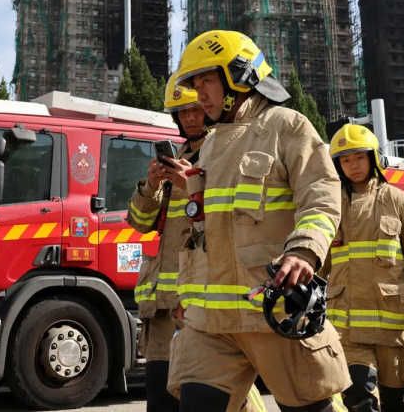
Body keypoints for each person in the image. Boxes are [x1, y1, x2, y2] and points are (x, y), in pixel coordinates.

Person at [167, 30, 350, 412]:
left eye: (206, 81)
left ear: (239, 75)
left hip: (273, 308)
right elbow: (205, 229)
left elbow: (321, 194)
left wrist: (304, 250)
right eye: (195, 83)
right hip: (210, 323)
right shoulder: (212, 143)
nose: (199, 94)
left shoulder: (288, 126)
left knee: (311, 407)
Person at [126, 75, 267, 412]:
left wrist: (193, 184)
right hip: (164, 302)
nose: (189, 117)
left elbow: (230, 220)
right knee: (161, 398)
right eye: (182, 112)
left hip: (205, 297)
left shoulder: (225, 153)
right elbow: (140, 223)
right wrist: (151, 187)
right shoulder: (176, 157)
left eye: (194, 110)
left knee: (220, 396)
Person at [326, 124, 404, 412]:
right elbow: (317, 258)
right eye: (345, 160)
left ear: (373, 158)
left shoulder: (400, 203)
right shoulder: (330, 208)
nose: (352, 165)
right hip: (349, 329)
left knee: (399, 404)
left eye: (358, 157)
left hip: (394, 330)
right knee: (358, 396)